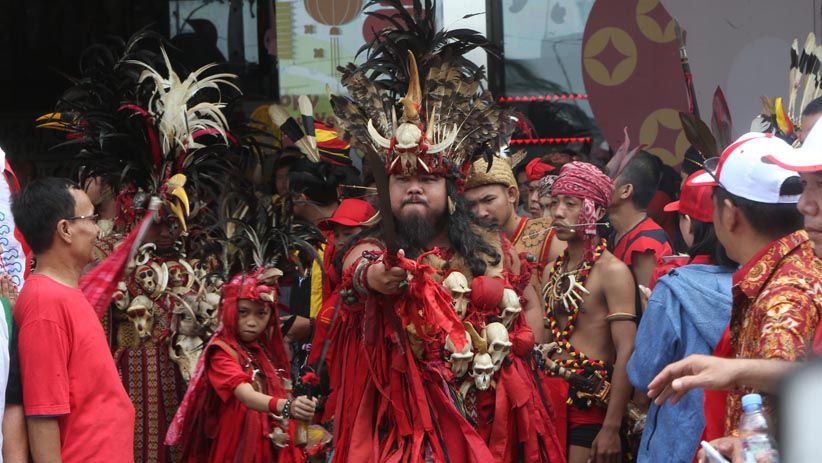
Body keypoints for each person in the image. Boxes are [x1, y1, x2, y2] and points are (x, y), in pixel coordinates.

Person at [326, 3, 562, 460]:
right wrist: (374, 277)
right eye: (402, 180)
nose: (414, 187)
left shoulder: (491, 245)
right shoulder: (372, 244)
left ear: (450, 189)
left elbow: (529, 317)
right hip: (401, 428)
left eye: (427, 179)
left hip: (487, 424)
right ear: (386, 188)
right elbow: (359, 267)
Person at [11, 178, 135, 462]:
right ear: (65, 229)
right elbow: (43, 414)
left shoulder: (62, 293)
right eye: (91, 218)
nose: (97, 229)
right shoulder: (45, 302)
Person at [627, 170, 734, 463]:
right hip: (737, 440)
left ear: (689, 223)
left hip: (677, 442)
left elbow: (643, 374)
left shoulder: (672, 289)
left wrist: (651, 314)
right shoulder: (760, 283)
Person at [538, 161, 637, 463]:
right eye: (555, 202)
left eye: (571, 204)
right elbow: (546, 338)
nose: (558, 212)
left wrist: (611, 427)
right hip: (547, 400)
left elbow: (627, 350)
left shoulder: (613, 272)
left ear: (599, 211)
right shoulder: (551, 271)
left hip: (589, 406)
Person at [167, 270, 317, 462]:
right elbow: (246, 394)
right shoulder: (221, 352)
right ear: (229, 310)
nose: (252, 322)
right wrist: (288, 406)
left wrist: (301, 406)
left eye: (261, 313)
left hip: (269, 441)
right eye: (243, 312)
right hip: (236, 446)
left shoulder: (263, 349)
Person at [463, 156, 565, 318]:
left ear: (511, 194)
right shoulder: (468, 246)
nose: (480, 212)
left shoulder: (549, 235)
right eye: (471, 205)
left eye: (488, 200)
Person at [608, 151, 673, 288]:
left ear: (625, 191)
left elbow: (649, 300)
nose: (599, 182)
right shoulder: (618, 231)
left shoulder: (645, 244)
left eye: (608, 177)